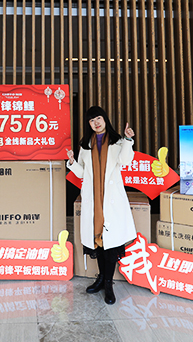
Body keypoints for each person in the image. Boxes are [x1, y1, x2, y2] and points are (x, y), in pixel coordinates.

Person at [66, 106, 136, 304]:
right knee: (97, 241)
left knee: (111, 243)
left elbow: (125, 161)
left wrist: (128, 140)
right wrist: (72, 162)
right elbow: (82, 173)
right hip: (94, 200)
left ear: (105, 119)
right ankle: (101, 278)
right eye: (91, 120)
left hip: (111, 200)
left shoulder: (117, 141)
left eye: (98, 118)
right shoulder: (85, 145)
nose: (95, 123)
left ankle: (108, 284)